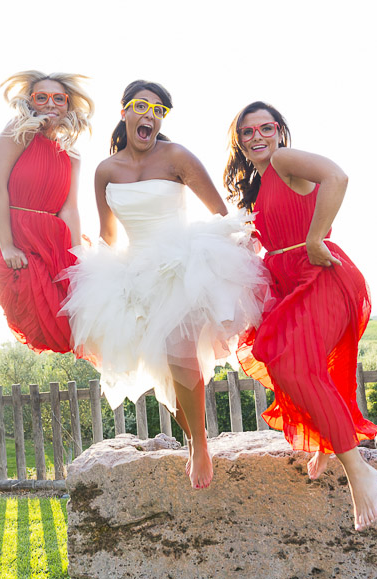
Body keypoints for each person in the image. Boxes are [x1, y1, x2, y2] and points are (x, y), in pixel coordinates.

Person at [60, 81, 268, 489]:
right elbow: (108, 234)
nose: (151, 115)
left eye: (159, 110)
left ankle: (201, 446)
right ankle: (191, 437)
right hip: (135, 269)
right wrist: (95, 261)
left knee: (178, 347)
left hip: (181, 263)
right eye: (142, 107)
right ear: (124, 113)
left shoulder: (176, 156)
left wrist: (230, 247)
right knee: (161, 369)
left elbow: (218, 210)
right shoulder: (106, 170)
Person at [224, 101, 377, 530]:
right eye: (247, 133)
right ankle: (329, 439)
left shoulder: (283, 159)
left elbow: (337, 176)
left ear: (279, 132)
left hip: (321, 274)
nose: (257, 137)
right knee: (288, 363)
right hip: (286, 282)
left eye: (265, 128)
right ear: (238, 142)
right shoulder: (258, 182)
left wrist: (315, 236)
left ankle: (359, 471)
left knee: (295, 366)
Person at [0, 70, 93, 355]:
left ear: (68, 104)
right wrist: (6, 246)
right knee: (38, 317)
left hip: (54, 242)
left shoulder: (72, 153)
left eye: (59, 98)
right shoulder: (18, 131)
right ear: (30, 101)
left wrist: (78, 258)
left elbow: (69, 209)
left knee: (75, 321)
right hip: (19, 237)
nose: (50, 104)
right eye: (41, 97)